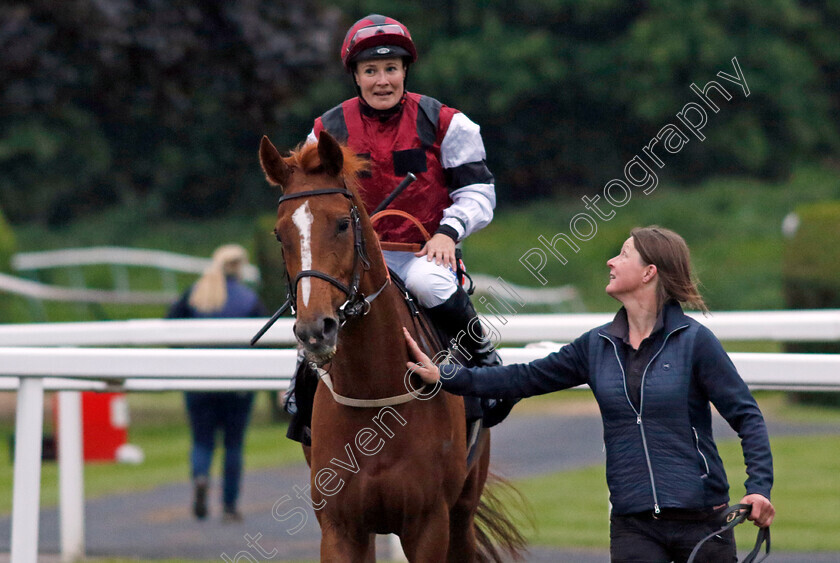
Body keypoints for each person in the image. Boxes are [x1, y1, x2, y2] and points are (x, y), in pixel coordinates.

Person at [404, 226, 775, 562]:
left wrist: (758, 488)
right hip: (633, 526)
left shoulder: (695, 342)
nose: (611, 261)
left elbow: (747, 416)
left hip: (703, 523)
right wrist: (445, 375)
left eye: (624, 254)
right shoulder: (596, 345)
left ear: (649, 273)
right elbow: (523, 378)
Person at [284, 14, 514, 443]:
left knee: (430, 286)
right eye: (371, 71)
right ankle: (303, 387)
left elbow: (479, 192)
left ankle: (484, 361)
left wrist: (449, 232)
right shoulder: (326, 131)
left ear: (405, 70)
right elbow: (310, 203)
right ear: (356, 76)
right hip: (354, 255)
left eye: (391, 69)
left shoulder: (445, 122)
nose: (382, 80)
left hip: (424, 251)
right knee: (317, 298)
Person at [167, 244, 267, 522]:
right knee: (233, 445)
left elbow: (169, 328)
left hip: (199, 380)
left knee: (202, 441)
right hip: (238, 384)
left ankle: (200, 478)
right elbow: (263, 341)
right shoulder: (248, 299)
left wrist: (185, 360)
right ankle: (229, 506)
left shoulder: (196, 294)